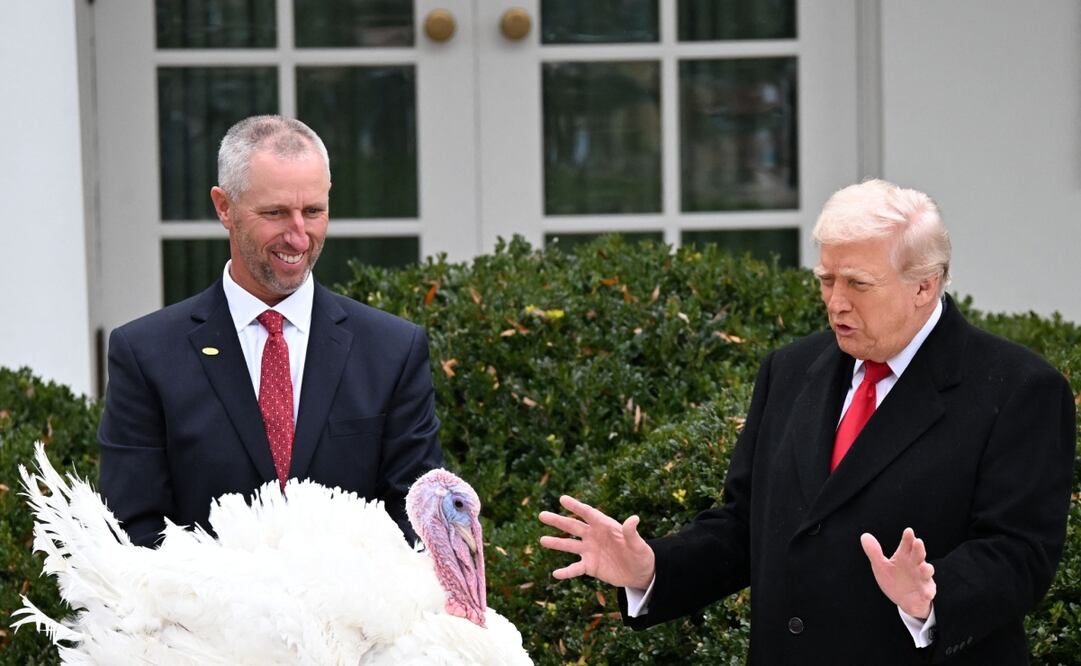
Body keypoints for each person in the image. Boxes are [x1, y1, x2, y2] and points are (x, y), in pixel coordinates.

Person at [538, 179, 1076, 664]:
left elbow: (1019, 552)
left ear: (924, 286)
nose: (835, 302)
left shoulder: (1020, 388)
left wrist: (933, 597)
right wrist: (652, 567)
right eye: (826, 280)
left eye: (858, 284)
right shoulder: (791, 369)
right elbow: (744, 526)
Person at [99, 115, 443, 547]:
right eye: (276, 213)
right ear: (224, 207)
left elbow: (417, 521)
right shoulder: (146, 354)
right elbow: (133, 531)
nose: (299, 236)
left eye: (313, 211)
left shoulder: (393, 351)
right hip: (200, 613)